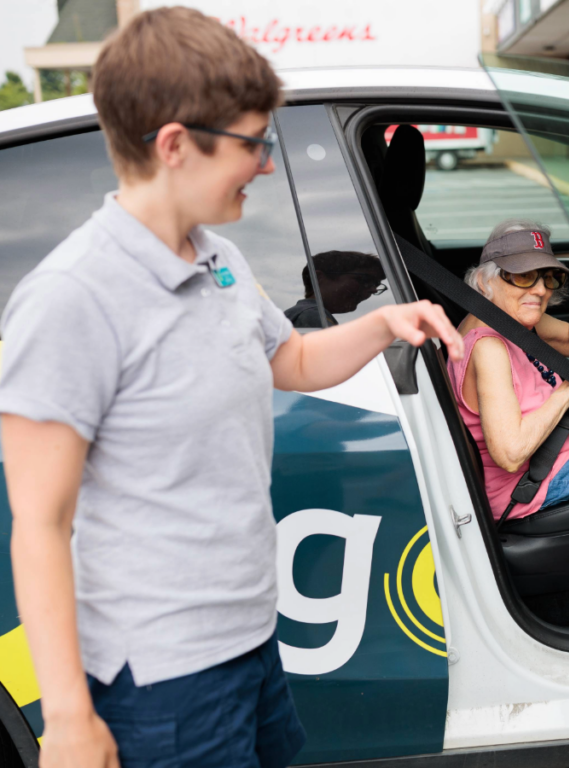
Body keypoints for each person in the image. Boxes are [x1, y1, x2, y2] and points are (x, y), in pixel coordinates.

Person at [0, 9, 463, 768]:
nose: (269, 164)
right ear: (176, 146)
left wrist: (387, 323)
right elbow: (40, 526)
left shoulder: (217, 258)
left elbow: (293, 362)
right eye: (256, 144)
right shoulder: (72, 299)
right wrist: (70, 719)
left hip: (249, 641)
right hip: (161, 678)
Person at [448, 220, 569, 523]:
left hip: (564, 443)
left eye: (547, 277)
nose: (539, 290)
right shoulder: (488, 347)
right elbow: (511, 454)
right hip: (531, 480)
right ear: (485, 281)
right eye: (523, 276)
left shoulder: (511, 319)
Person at [285, 250, 387, 328]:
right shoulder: (311, 315)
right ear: (318, 278)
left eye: (376, 284)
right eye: (365, 280)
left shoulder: (300, 314)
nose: (373, 290)